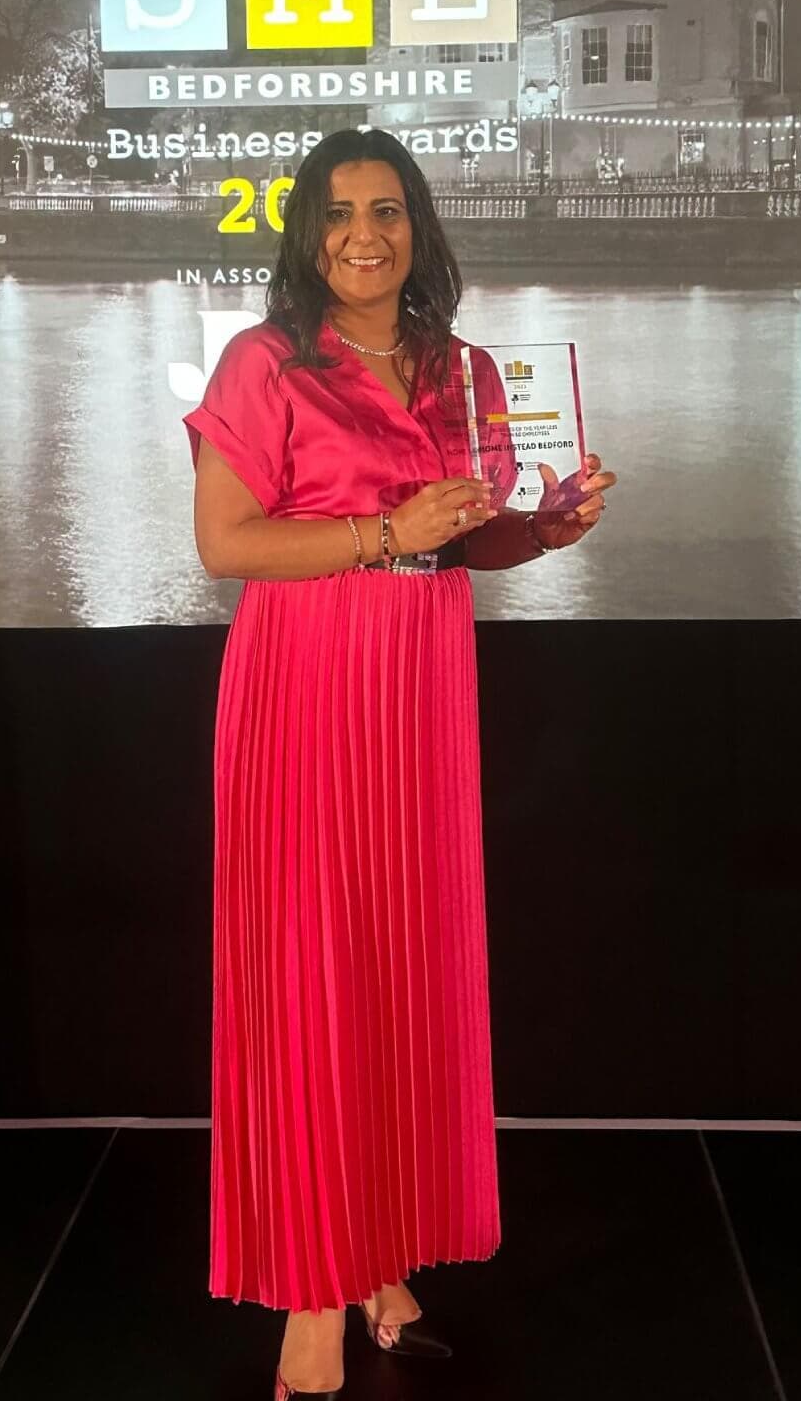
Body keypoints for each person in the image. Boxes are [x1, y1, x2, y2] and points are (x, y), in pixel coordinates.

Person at [183, 128, 617, 1399]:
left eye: (386, 209)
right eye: (335, 213)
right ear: (304, 233)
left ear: (419, 225)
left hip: (423, 689)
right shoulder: (264, 363)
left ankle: (382, 1255)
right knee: (314, 976)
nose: (362, 234)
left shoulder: (464, 369)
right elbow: (225, 543)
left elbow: (463, 544)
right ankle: (312, 1293)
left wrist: (543, 528)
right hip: (306, 687)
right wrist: (383, 526)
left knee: (401, 975)